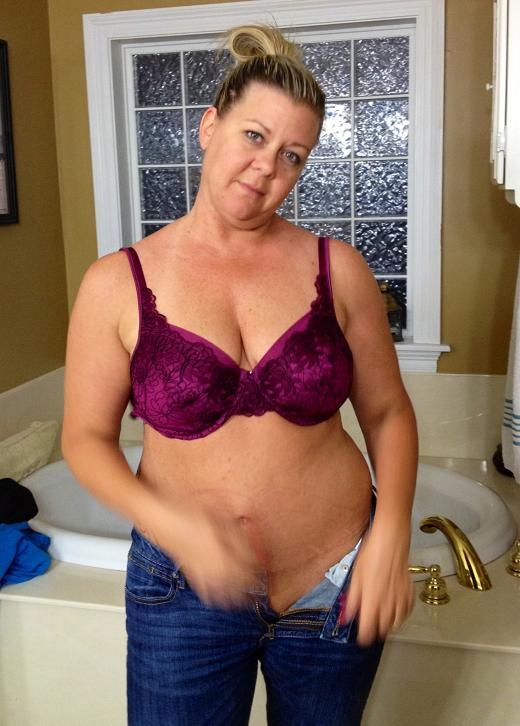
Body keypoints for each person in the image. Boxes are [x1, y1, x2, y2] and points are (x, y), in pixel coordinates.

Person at [62, 23, 418, 726]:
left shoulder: (338, 269)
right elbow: (83, 440)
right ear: (209, 126)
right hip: (184, 591)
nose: (266, 168)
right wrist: (175, 525)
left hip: (335, 586)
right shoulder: (115, 283)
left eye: (292, 155)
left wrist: (391, 534)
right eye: (254, 136)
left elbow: (388, 413)